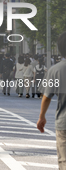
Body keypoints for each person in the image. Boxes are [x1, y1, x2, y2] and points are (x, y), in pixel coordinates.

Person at [37, 32, 66, 169]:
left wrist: (42, 117)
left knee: (64, 160)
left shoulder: (55, 70)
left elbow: (47, 96)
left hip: (64, 123)